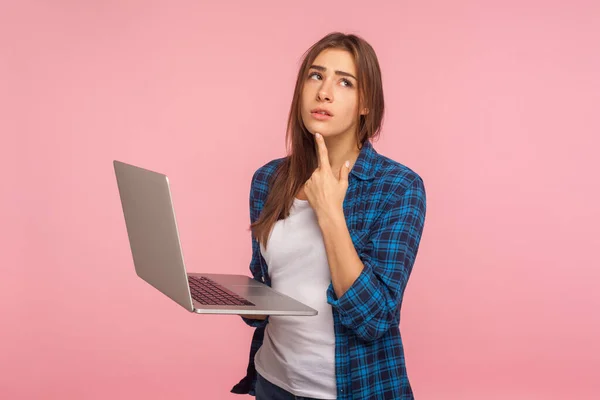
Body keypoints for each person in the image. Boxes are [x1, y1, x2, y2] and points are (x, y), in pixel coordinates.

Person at [230, 32, 427, 400]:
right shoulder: (268, 180)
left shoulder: (398, 188)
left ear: (366, 103)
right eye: (316, 76)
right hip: (272, 382)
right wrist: (236, 298)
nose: (324, 92)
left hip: (356, 389)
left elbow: (374, 319)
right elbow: (273, 284)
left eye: (345, 82)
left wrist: (330, 213)